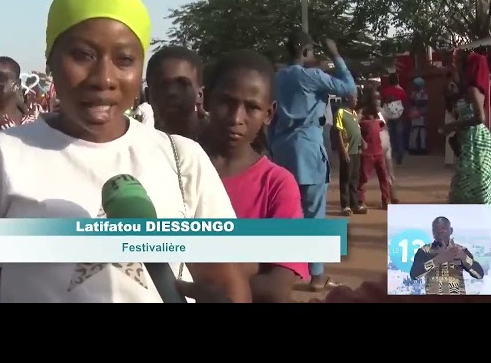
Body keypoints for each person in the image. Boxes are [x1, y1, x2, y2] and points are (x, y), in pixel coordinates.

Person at [0, 0, 251, 303]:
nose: (104, 78)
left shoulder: (183, 159)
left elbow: (226, 283)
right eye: (83, 55)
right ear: (50, 62)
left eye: (125, 60)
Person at [200, 49, 308, 303]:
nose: (236, 118)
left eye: (252, 107)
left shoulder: (277, 184)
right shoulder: (175, 166)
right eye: (226, 101)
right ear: (206, 100)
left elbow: (277, 286)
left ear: (269, 114)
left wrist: (205, 288)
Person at [269, 31, 356, 291]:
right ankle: (317, 276)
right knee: (314, 214)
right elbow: (350, 89)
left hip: (282, 149)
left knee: (285, 213)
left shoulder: (278, 77)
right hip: (307, 148)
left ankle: (282, 272)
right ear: (306, 51)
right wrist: (336, 56)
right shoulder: (311, 75)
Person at [442, 51, 491, 211]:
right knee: (467, 184)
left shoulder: (473, 90)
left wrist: (452, 126)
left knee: (473, 185)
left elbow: (479, 118)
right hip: (469, 141)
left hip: (477, 140)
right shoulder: (465, 90)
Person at [409, 217, 484, 295]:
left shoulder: (461, 250)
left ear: (451, 231)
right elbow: (414, 275)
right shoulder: (424, 251)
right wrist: (437, 260)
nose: (440, 231)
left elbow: (479, 275)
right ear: (433, 232)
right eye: (436, 229)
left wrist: (464, 258)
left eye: (443, 228)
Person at [145, 45, 207, 140]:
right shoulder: (136, 149)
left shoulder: (221, 145)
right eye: (162, 86)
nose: (172, 92)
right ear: (147, 95)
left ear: (200, 95)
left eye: (182, 84)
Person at [358, 89, 391, 209]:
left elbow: (383, 125)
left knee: (383, 177)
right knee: (363, 178)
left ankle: (386, 200)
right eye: (375, 98)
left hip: (378, 151)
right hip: (367, 153)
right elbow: (356, 128)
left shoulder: (378, 114)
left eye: (378, 98)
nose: (377, 101)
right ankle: (361, 201)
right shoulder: (361, 114)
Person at [335, 94, 365, 216]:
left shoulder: (353, 113)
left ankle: (355, 204)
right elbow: (339, 133)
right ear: (348, 99)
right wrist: (343, 151)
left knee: (354, 178)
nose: (357, 100)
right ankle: (345, 205)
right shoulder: (340, 112)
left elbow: (357, 130)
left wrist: (363, 142)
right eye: (355, 98)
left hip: (356, 151)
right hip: (347, 151)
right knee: (345, 179)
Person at [380, 73, 407, 166]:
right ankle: (399, 157)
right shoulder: (401, 91)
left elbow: (382, 103)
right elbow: (404, 104)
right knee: (399, 136)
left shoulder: (385, 91)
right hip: (399, 117)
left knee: (390, 136)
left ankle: (390, 155)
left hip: (388, 116)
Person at [408, 77, 429, 154]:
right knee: (415, 131)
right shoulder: (414, 93)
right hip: (415, 113)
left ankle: (422, 148)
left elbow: (423, 102)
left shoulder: (423, 93)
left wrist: (417, 103)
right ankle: (414, 148)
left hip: (421, 114)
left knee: (421, 132)